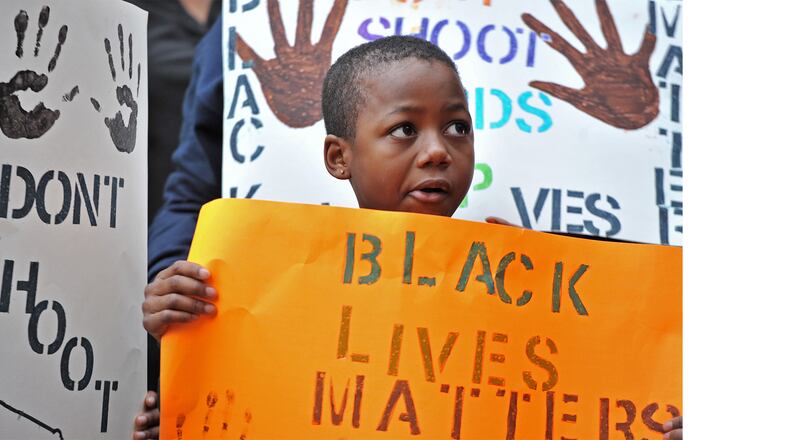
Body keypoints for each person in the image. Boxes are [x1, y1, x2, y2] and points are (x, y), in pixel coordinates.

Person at [132, 35, 682, 440]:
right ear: (339, 157)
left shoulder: (524, 286)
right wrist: (185, 382)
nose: (439, 149)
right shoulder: (264, 284)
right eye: (404, 129)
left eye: (457, 127)